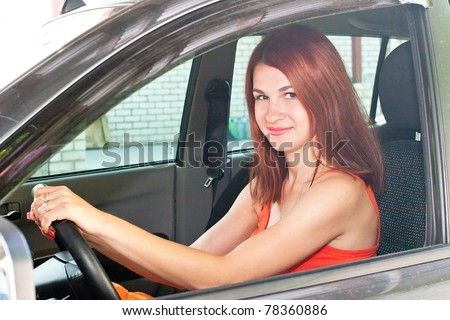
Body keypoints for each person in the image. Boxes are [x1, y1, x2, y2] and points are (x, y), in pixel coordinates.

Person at [28, 24, 384, 298]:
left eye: (290, 94)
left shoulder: (339, 191)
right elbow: (192, 261)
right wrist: (84, 228)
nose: (272, 113)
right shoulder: (266, 184)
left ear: (326, 97)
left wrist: (93, 217)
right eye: (261, 97)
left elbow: (222, 275)